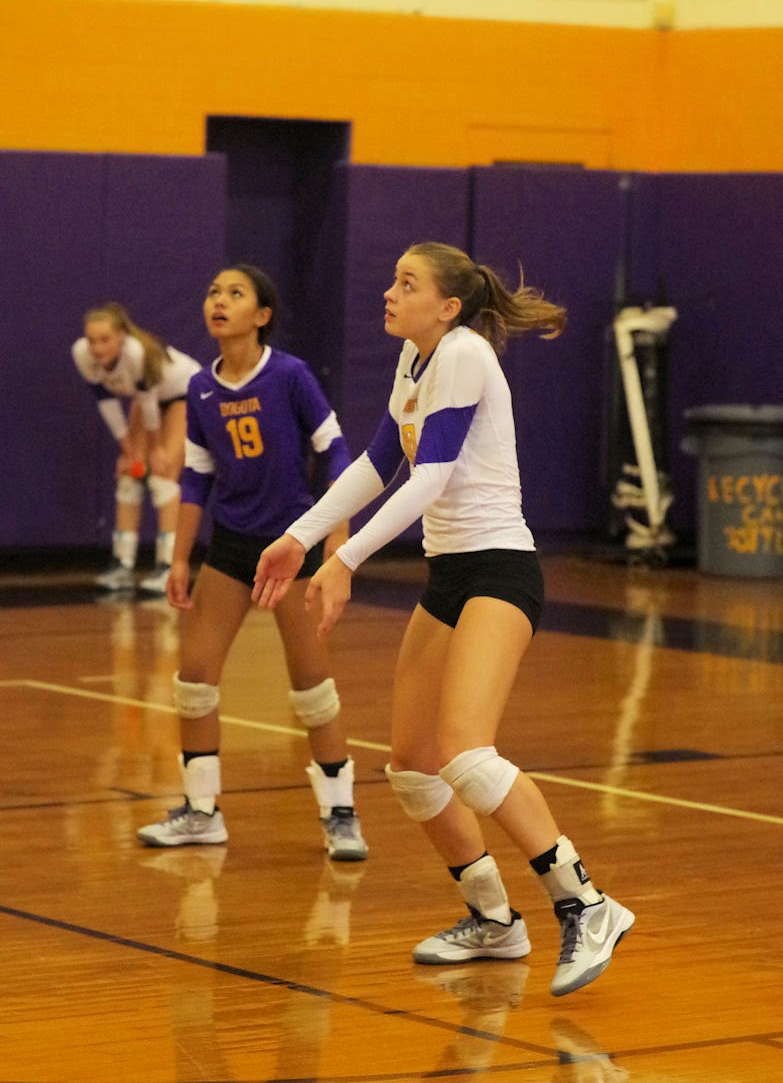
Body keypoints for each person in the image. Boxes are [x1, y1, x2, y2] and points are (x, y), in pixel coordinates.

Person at [253, 241, 634, 996]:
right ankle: (493, 920)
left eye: (407, 283)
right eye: (393, 280)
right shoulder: (415, 358)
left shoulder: (463, 353)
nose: (389, 293)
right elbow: (376, 463)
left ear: (448, 306)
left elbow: (430, 476)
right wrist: (299, 537)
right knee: (413, 767)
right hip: (451, 575)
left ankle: (587, 903)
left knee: (466, 752)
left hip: (499, 569)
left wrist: (344, 559)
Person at [136, 264, 368, 862]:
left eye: (235, 293)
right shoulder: (200, 387)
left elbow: (337, 453)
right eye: (214, 291)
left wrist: (337, 543)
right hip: (234, 546)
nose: (219, 301)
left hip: (292, 545)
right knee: (194, 679)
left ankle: (341, 814)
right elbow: (196, 477)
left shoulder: (290, 376)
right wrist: (179, 558)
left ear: (261, 315)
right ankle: (201, 812)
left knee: (312, 686)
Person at [72, 302, 201, 594]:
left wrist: (155, 449)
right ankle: (122, 565)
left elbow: (149, 402)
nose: (97, 348)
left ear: (121, 336)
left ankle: (168, 567)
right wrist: (128, 451)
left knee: (162, 476)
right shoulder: (82, 354)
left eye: (105, 340)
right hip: (148, 402)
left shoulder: (136, 353)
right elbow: (107, 403)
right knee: (130, 473)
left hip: (184, 394)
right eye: (92, 340)